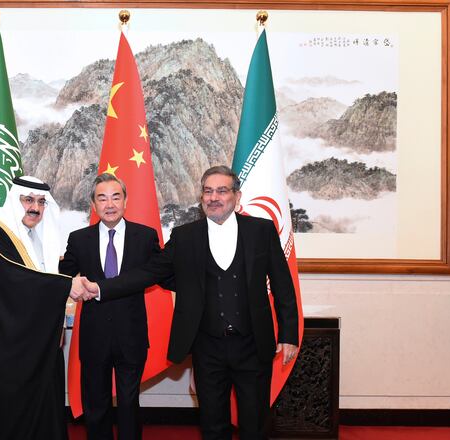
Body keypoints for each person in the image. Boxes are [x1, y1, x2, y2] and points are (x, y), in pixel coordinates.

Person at [81, 166, 299, 440]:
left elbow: (282, 284)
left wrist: (289, 333)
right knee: (212, 425)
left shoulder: (261, 230)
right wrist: (101, 287)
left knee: (255, 426)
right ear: (201, 197)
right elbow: (149, 272)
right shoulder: (185, 236)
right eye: (207, 191)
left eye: (222, 190)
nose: (214, 197)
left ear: (237, 196)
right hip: (207, 348)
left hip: (254, 345)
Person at [0, 176, 83, 440]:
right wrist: (66, 286)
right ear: (15, 201)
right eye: (28, 200)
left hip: (40, 343)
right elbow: (14, 278)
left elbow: (40, 284)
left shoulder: (42, 240)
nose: (35, 208)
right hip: (4, 348)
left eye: (41, 202)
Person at [60, 173, 162, 440]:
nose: (110, 204)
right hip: (94, 337)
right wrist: (71, 283)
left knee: (129, 405)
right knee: (96, 406)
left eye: (116, 197)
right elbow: (63, 278)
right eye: (102, 198)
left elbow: (160, 273)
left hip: (132, 336)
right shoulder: (78, 239)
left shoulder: (146, 236)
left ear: (126, 201)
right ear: (93, 205)